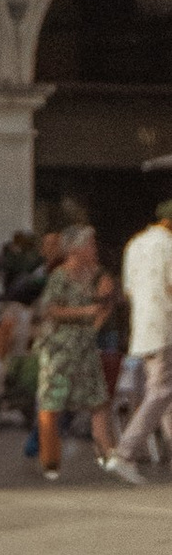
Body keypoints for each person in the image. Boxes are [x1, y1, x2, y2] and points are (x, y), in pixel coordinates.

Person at [34, 224, 127, 485]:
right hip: (60, 349)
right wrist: (85, 313)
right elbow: (51, 310)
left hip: (85, 347)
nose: (94, 249)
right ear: (75, 249)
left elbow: (107, 303)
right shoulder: (60, 276)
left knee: (98, 401)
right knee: (52, 404)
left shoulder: (96, 275)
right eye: (90, 245)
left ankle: (107, 455)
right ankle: (50, 460)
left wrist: (95, 322)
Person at [117, 199, 172, 475]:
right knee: (161, 391)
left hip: (142, 326)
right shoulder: (169, 245)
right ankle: (126, 450)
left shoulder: (135, 244)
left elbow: (128, 289)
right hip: (165, 325)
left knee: (164, 390)